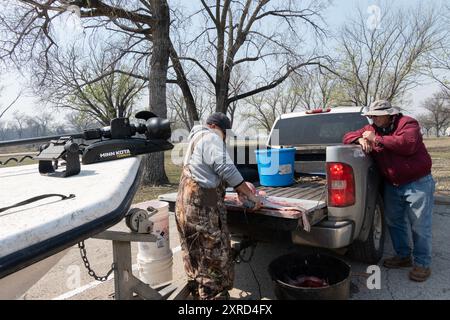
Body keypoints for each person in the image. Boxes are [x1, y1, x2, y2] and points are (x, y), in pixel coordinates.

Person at [343, 100, 435, 282]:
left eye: (376, 115)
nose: (372, 118)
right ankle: (403, 256)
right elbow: (347, 136)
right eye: (370, 115)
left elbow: (407, 144)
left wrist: (375, 139)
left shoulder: (408, 123)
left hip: (417, 182)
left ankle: (422, 264)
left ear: (389, 114)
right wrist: (360, 138)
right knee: (394, 222)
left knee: (419, 225)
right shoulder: (372, 129)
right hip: (393, 184)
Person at [175, 112, 263, 299]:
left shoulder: (195, 140)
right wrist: (250, 196)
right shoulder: (210, 137)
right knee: (213, 261)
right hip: (202, 213)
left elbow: (208, 173)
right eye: (225, 135)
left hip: (185, 209)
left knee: (195, 258)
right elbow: (226, 169)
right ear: (217, 128)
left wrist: (239, 186)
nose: (224, 140)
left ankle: (199, 295)